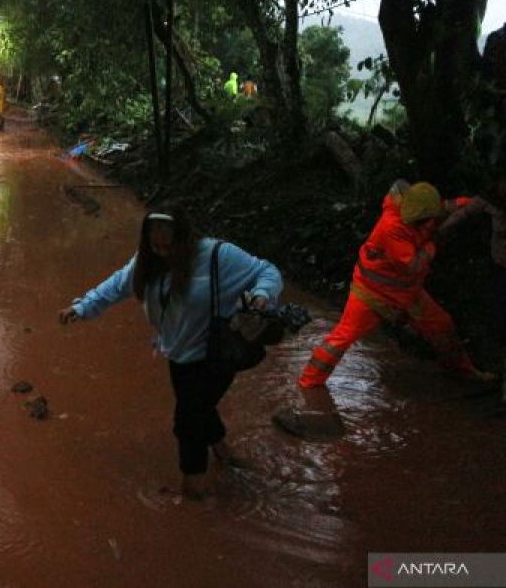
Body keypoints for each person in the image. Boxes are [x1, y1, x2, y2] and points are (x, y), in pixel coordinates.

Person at [58, 205, 283, 500]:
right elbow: (115, 286)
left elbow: (268, 271)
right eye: (155, 245)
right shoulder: (147, 262)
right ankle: (224, 453)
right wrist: (81, 308)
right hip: (179, 354)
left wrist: (262, 295)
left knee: (187, 421)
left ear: (185, 238)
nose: (162, 252)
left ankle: (194, 490)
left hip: (217, 353)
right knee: (198, 407)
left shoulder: (217, 255)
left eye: (169, 245)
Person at [298, 180, 496, 388]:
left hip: (406, 292)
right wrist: (433, 244)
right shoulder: (392, 227)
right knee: (342, 338)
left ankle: (460, 371)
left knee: (442, 325)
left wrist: (473, 202)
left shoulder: (421, 205)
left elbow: (447, 206)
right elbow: (412, 266)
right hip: (371, 293)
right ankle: (308, 383)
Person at [439, 170, 506, 407]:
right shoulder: (490, 201)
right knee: (498, 322)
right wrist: (436, 232)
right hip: (499, 271)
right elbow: (462, 213)